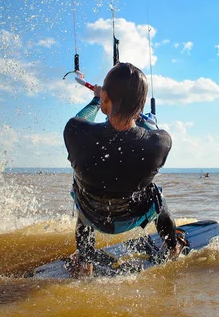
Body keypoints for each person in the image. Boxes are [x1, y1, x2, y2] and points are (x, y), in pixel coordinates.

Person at [63, 62, 186, 277]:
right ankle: (173, 247)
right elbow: (152, 130)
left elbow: (81, 119)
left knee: (82, 191)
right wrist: (137, 113)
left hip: (92, 215)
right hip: (132, 216)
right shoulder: (161, 142)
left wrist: (95, 100)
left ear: (106, 99)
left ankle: (84, 262)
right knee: (157, 195)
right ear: (141, 104)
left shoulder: (74, 132)